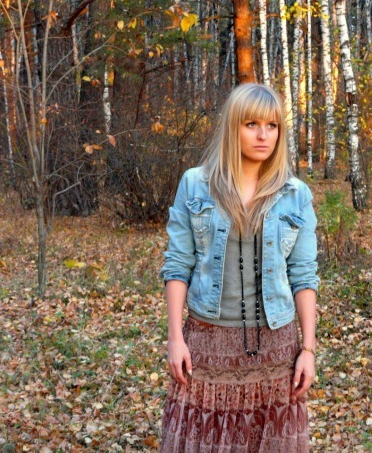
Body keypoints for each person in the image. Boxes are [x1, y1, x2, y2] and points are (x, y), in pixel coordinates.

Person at [159, 83, 319, 452]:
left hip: (277, 348)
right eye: (252, 124)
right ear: (233, 127)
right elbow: (178, 265)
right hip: (207, 344)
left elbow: (303, 275)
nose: (264, 135)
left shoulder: (295, 194)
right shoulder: (196, 185)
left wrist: (308, 350)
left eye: (272, 126)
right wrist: (175, 338)